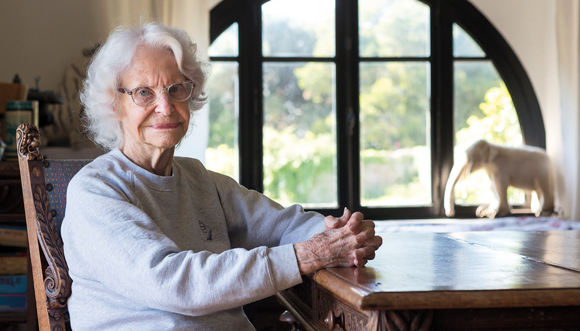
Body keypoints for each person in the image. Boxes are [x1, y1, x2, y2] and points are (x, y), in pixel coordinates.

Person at [61, 22, 382, 331]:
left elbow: (283, 226)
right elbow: (174, 283)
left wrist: (341, 233)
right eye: (144, 92)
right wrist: (309, 254)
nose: (165, 106)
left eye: (176, 89)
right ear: (115, 104)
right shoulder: (94, 191)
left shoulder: (200, 179)